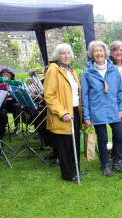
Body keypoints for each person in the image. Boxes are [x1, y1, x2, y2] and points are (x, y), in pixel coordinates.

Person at [81, 40, 122, 177]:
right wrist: (86, 116)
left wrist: (121, 109)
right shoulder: (87, 72)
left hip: (114, 109)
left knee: (121, 134)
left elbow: (120, 91)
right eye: (95, 51)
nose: (99, 53)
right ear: (92, 54)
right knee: (102, 138)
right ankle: (105, 164)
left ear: (105, 52)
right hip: (97, 111)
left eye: (101, 50)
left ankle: (118, 161)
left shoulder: (113, 69)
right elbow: (84, 96)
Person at [43, 43, 85, 182]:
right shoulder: (53, 70)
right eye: (63, 53)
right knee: (65, 144)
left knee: (74, 142)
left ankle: (75, 169)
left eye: (68, 53)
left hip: (74, 110)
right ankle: (68, 174)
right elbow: (49, 96)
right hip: (62, 112)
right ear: (57, 55)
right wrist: (61, 112)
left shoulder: (70, 70)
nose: (67, 56)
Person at [0, 68, 21, 136]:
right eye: (4, 74)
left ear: (11, 75)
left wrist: (11, 95)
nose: (6, 75)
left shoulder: (15, 83)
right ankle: (2, 127)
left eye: (7, 74)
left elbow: (18, 95)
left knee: (16, 106)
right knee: (1, 110)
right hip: (2, 103)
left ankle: (16, 127)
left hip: (12, 103)